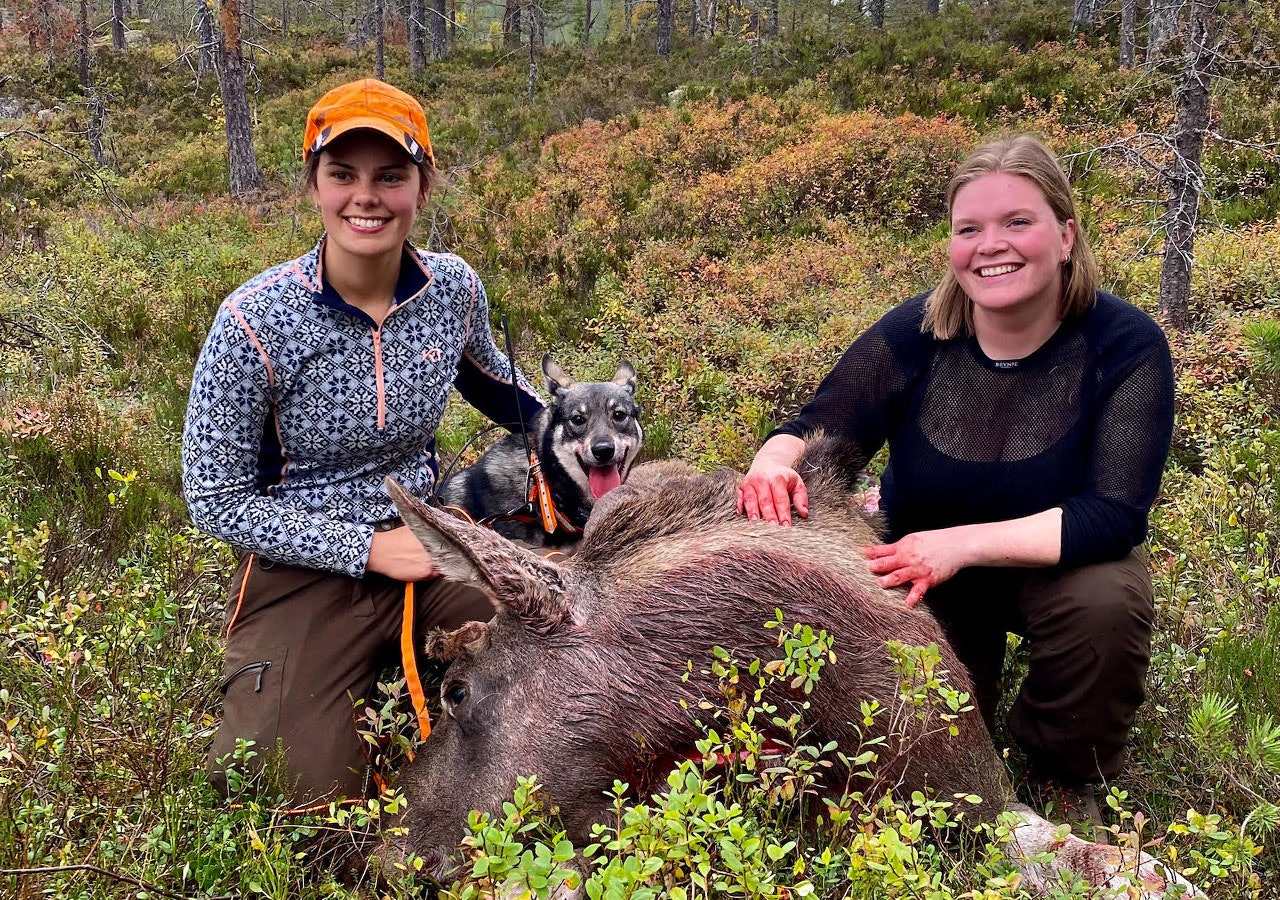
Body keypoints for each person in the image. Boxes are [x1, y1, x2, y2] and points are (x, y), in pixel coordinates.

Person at [737, 134, 1174, 818]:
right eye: (970, 229)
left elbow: (1114, 514)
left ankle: (1065, 770)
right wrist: (771, 465)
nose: (991, 245)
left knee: (1105, 602)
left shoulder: (1125, 346)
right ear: (951, 246)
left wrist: (960, 545)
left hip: (1045, 564)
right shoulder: (916, 331)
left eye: (1017, 222)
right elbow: (823, 427)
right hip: (921, 569)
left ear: (1065, 236)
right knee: (912, 734)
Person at [182, 78, 544, 808]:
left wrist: (585, 435)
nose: (365, 198)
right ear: (314, 184)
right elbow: (215, 500)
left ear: (422, 186)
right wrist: (369, 551)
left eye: (390, 176)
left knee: (556, 663)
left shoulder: (453, 291)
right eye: (342, 174)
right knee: (284, 798)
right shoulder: (255, 320)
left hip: (431, 538)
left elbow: (500, 389)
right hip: (300, 564)